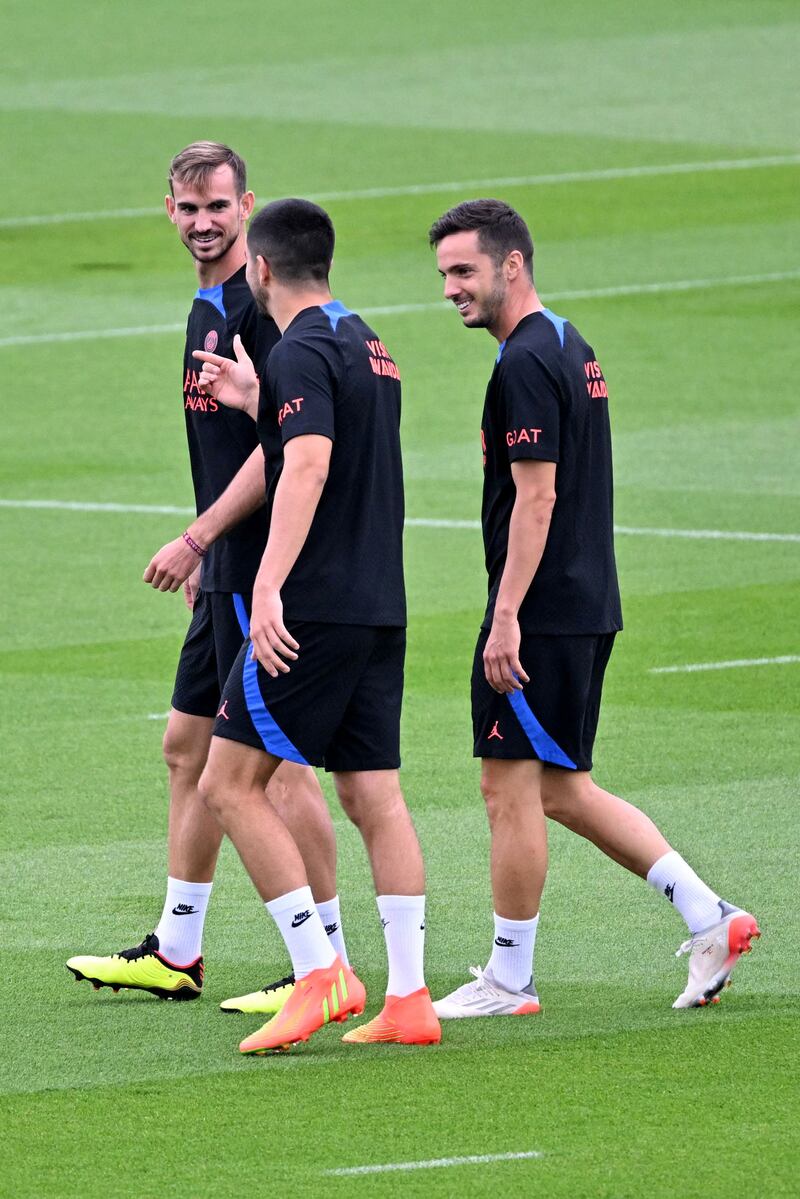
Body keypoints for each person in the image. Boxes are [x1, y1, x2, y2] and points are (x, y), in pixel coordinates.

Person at [428, 199, 760, 1016]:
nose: (450, 290)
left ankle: (510, 977)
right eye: (444, 275)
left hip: (540, 612)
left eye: (464, 270)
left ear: (512, 265)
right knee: (562, 787)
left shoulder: (525, 363)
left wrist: (504, 615)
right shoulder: (569, 345)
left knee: (508, 788)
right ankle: (709, 915)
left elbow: (535, 499)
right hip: (581, 601)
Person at [66, 143, 346, 1015]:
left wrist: (200, 538)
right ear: (169, 211)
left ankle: (328, 964)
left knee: (279, 771)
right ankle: (177, 948)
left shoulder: (263, 310)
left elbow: (282, 452)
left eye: (218, 207)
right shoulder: (205, 305)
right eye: (188, 209)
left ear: (246, 205)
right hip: (226, 567)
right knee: (186, 749)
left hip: (262, 569)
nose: (203, 223)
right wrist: (211, 555)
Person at [192, 197, 441, 1053]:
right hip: (380, 602)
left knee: (227, 783)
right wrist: (256, 395)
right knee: (374, 793)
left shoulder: (296, 347)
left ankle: (318, 971)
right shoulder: (364, 340)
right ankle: (409, 998)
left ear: (259, 268)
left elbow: (308, 461)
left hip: (314, 609)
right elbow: (327, 422)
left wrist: (266, 587)